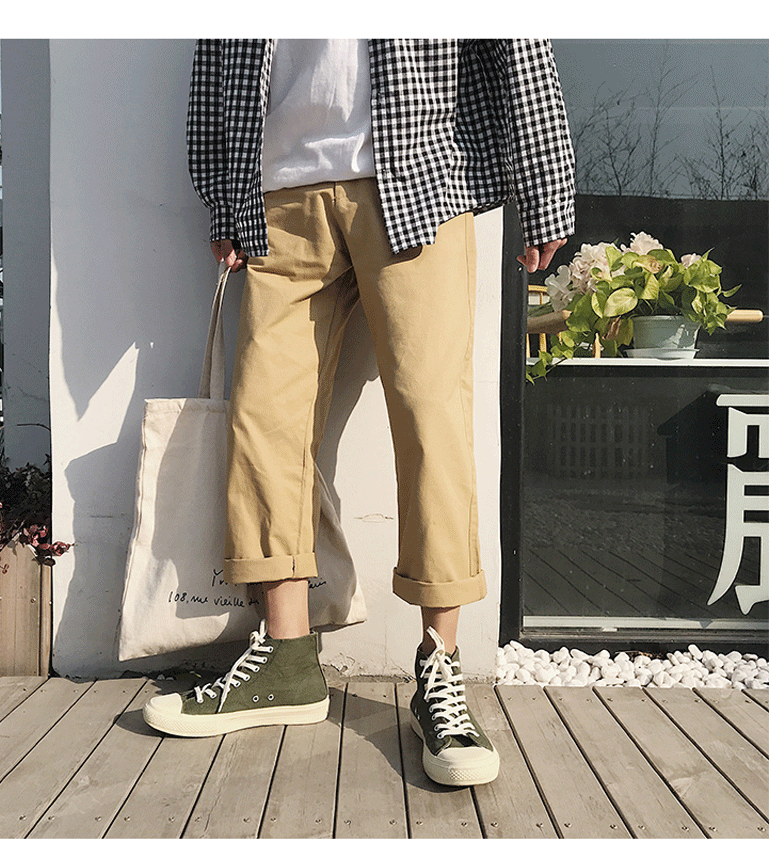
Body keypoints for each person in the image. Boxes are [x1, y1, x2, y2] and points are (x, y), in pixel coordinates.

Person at [143, 38, 574, 787]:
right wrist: (223, 190)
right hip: (279, 191)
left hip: (416, 176)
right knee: (264, 420)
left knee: (430, 418)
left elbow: (515, 37)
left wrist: (546, 186)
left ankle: (441, 666)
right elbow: (219, 48)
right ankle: (286, 657)